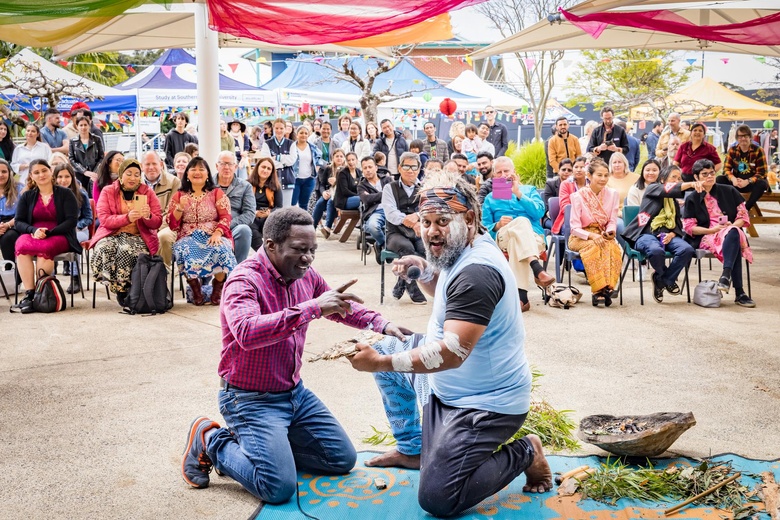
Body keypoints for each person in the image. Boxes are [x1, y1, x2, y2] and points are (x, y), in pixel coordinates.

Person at [348, 171, 552, 517]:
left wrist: (379, 365)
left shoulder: (477, 272)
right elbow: (448, 296)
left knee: (437, 499)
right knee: (385, 346)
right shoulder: (467, 247)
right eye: (425, 222)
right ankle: (415, 449)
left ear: (469, 219)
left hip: (484, 404)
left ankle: (526, 452)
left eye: (442, 221)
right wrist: (425, 273)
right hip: (445, 386)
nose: (430, 231)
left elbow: (451, 353)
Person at [180, 207, 409, 502]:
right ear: (271, 245)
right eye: (300, 250)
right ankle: (212, 439)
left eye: (312, 250)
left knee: (341, 460)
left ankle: (268, 447)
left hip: (294, 395)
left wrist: (382, 324)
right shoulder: (243, 280)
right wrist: (313, 308)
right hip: (249, 399)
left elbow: (337, 305)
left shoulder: (305, 274)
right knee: (277, 487)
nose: (308, 258)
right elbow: (247, 333)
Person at [481, 157, 553, 312]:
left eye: (506, 171)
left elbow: (539, 212)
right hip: (502, 237)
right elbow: (484, 228)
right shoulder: (489, 198)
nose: (503, 175)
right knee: (520, 222)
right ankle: (536, 268)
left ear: (514, 172)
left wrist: (518, 193)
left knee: (517, 236)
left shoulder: (528, 190)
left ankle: (522, 299)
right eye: (498, 172)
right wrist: (497, 225)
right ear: (494, 176)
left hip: (533, 238)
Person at [89, 158, 162, 306]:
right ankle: (120, 289)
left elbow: (158, 221)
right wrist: (126, 218)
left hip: (138, 235)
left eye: (137, 174)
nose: (133, 178)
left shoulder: (147, 192)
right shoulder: (108, 191)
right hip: (112, 233)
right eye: (129, 173)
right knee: (104, 248)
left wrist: (148, 216)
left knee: (126, 250)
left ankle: (127, 290)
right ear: (121, 175)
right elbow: (104, 219)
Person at [10, 159, 80, 313]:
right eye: (36, 172)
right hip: (33, 233)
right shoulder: (27, 196)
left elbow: (71, 221)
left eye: (44, 170)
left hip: (60, 234)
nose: (41, 174)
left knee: (46, 247)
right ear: (31, 176)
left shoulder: (65, 193)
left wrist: (49, 232)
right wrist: (33, 230)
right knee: (21, 245)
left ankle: (40, 294)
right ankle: (30, 294)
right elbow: (19, 222)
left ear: (50, 171)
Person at [683, 159, 755, 308]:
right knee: (733, 239)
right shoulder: (692, 198)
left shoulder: (729, 190)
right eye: (704, 174)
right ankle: (739, 292)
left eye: (712, 173)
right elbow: (690, 228)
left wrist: (730, 227)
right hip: (706, 236)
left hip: (730, 233)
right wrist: (712, 230)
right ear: (696, 177)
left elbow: (743, 217)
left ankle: (725, 276)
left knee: (733, 233)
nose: (710, 176)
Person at [623, 165, 698, 304]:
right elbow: (668, 189)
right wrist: (692, 183)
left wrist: (672, 234)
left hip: (668, 236)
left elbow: (677, 224)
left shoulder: (673, 202)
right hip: (645, 234)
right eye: (674, 177)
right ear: (663, 179)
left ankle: (661, 280)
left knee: (686, 250)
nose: (678, 181)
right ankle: (666, 279)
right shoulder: (652, 188)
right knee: (655, 250)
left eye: (679, 178)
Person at [167, 157, 236, 306]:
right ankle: (196, 290)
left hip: (213, 233)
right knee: (184, 248)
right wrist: (179, 208)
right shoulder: (179, 195)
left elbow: (226, 216)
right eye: (193, 169)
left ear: (207, 174)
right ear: (187, 174)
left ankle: (217, 290)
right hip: (188, 235)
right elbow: (172, 224)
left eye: (201, 169)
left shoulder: (217, 193)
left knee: (222, 248)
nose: (197, 172)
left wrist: (218, 233)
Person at [568, 159, 621, 307]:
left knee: (613, 247)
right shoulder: (579, 196)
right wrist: (591, 236)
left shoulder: (613, 194)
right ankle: (598, 290)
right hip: (580, 236)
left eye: (606, 175)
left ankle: (607, 288)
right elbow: (574, 228)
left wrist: (610, 232)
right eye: (599, 175)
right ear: (589, 176)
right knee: (594, 246)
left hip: (602, 234)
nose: (603, 179)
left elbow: (612, 220)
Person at [382, 152, 427, 304]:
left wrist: (418, 216)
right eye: (406, 166)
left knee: (424, 249)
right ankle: (413, 288)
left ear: (419, 169)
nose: (410, 170)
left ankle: (401, 283)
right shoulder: (390, 187)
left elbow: (427, 208)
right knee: (406, 248)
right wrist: (412, 221)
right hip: (395, 232)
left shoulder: (423, 188)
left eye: (414, 167)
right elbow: (391, 213)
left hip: (417, 232)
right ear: (400, 168)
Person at [53, 163, 92, 293]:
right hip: (57, 231)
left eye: (67, 176)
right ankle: (50, 279)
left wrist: (76, 226)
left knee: (72, 240)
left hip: (78, 230)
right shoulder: (51, 195)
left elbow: (88, 218)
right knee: (48, 243)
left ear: (72, 177)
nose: (63, 180)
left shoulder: (81, 193)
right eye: (59, 176)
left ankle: (75, 277)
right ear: (54, 178)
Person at [142, 151, 181, 268]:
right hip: (142, 225)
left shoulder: (174, 182)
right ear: (141, 166)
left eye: (154, 164)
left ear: (161, 164)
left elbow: (171, 212)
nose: (151, 167)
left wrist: (155, 228)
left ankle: (161, 277)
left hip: (168, 225)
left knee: (163, 237)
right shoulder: (136, 183)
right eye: (147, 164)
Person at [215, 151, 255, 264]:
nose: (226, 167)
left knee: (245, 230)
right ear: (216, 166)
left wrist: (226, 225)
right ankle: (204, 278)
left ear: (236, 167)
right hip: (211, 227)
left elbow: (250, 214)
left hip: (234, 227)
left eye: (230, 164)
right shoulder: (208, 185)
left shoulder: (245, 186)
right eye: (223, 164)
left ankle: (236, 271)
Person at [719, 124, 769, 212]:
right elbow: (726, 169)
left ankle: (746, 209)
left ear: (750, 137)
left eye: (745, 136)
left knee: (762, 183)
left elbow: (762, 173)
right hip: (736, 182)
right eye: (740, 136)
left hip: (752, 183)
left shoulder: (758, 150)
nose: (743, 138)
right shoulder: (732, 150)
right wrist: (733, 179)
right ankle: (729, 208)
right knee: (719, 179)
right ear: (737, 138)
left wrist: (748, 181)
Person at [357, 156, 391, 264]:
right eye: (365, 168)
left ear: (376, 168)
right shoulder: (361, 185)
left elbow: (393, 195)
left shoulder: (387, 180)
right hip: (375, 212)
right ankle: (384, 245)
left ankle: (383, 246)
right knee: (372, 226)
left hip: (391, 210)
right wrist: (384, 194)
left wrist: (373, 197)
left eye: (370, 167)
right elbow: (366, 200)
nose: (367, 170)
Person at [247, 157, 283, 250]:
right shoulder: (247, 184)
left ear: (272, 172)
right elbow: (243, 205)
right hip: (252, 216)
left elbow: (279, 207)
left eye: (268, 168)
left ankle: (267, 254)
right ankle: (263, 253)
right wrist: (254, 213)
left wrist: (269, 213)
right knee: (250, 227)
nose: (265, 170)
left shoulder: (276, 187)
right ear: (257, 167)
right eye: (263, 167)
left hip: (268, 216)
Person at [312, 149, 346, 238]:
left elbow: (347, 186)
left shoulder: (346, 170)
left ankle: (327, 227)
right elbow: (322, 184)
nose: (339, 158)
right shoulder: (328, 169)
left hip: (341, 195)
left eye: (341, 156)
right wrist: (323, 192)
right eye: (337, 156)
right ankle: (312, 227)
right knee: (320, 203)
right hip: (329, 192)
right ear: (333, 158)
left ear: (344, 158)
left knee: (331, 202)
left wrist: (336, 182)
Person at [69, 115, 105, 195]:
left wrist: (94, 172)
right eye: (81, 125)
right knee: (80, 195)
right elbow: (71, 159)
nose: (83, 127)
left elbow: (101, 157)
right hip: (79, 174)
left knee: (94, 195)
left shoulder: (97, 139)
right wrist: (84, 171)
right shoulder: (73, 141)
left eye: (85, 125)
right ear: (77, 126)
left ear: (89, 125)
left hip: (95, 173)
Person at [551, 156, 589, 234]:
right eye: (576, 167)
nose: (578, 170)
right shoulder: (566, 184)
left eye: (582, 167)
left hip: (590, 219)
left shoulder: (591, 183)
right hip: (569, 219)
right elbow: (565, 206)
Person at [291, 126, 322, 212]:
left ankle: (303, 223)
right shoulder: (292, 147)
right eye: (301, 133)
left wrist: (316, 169)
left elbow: (318, 158)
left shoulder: (312, 147)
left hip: (309, 179)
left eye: (305, 133)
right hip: (295, 179)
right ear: (297, 135)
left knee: (304, 204)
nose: (303, 135)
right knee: (292, 203)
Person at [259, 118, 297, 187]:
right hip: (271, 181)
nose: (279, 130)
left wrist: (278, 157)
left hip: (288, 181)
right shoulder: (267, 143)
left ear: (285, 129)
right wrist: (284, 164)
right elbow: (266, 161)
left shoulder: (291, 143)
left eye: (281, 128)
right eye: (276, 128)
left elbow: (292, 160)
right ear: (273, 128)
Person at [0, 159, 22, 266]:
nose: (1, 175)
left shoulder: (19, 189)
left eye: (4, 172)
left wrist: (7, 225)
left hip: (15, 223)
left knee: (8, 238)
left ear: (10, 173)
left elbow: (22, 213)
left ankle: (12, 275)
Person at [607, 152, 639, 220]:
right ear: (610, 165)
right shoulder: (607, 180)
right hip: (616, 214)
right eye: (614, 162)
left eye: (619, 162)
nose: (617, 165)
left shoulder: (636, 178)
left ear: (625, 164)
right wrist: (620, 214)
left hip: (636, 212)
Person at [543, 158, 572, 227]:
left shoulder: (575, 185)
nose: (566, 172)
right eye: (563, 169)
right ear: (558, 171)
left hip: (571, 217)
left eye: (569, 170)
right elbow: (549, 206)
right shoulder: (550, 184)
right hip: (552, 218)